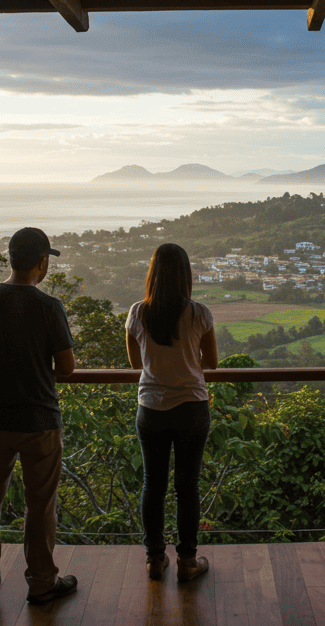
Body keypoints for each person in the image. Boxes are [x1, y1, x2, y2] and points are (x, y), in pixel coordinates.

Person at [0, 227, 79, 605]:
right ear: (42, 263)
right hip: (39, 420)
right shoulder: (49, 307)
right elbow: (67, 367)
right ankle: (42, 580)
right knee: (40, 503)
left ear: (10, 259)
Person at [127, 243, 217, 582]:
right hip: (192, 408)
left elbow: (136, 363)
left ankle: (154, 559)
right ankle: (188, 562)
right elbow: (211, 362)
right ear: (186, 276)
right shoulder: (199, 314)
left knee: (153, 484)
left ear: (153, 275)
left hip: (151, 408)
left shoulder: (138, 313)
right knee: (187, 486)